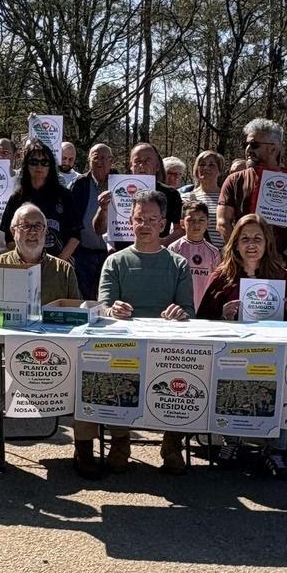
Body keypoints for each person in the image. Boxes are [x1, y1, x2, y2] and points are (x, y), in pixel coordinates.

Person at [0, 204, 84, 469]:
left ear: (46, 232)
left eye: (38, 226)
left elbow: (78, 314)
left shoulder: (63, 269)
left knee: (87, 369)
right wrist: (9, 322)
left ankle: (84, 446)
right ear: (13, 231)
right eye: (26, 226)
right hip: (7, 349)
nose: (32, 232)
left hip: (57, 351)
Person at [97, 190, 194, 474]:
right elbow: (102, 307)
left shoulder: (178, 264)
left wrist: (180, 314)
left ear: (163, 224)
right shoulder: (115, 262)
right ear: (131, 221)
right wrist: (112, 310)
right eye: (140, 219)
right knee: (111, 371)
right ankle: (120, 439)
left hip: (168, 348)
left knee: (186, 373)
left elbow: (190, 310)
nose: (146, 225)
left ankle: (173, 442)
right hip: (125, 347)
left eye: (152, 219)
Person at [196, 213, 287, 476]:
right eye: (245, 239)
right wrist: (223, 316)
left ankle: (275, 450)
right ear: (235, 243)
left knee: (284, 376)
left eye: (257, 238)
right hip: (233, 353)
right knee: (233, 372)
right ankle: (232, 441)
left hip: (274, 352)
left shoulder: (281, 276)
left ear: (267, 243)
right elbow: (201, 322)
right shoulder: (222, 276)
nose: (251, 244)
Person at [217, 119, 287, 269]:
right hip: (241, 266)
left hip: (280, 268)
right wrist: (241, 254)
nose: (248, 149)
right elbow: (223, 222)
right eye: (246, 144)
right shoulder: (234, 180)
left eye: (255, 145)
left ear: (273, 149)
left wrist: (284, 258)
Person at [90, 142, 185, 249]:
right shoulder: (116, 189)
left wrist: (164, 241)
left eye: (147, 161)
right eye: (137, 161)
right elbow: (99, 230)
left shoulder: (171, 194)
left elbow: (181, 229)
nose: (142, 165)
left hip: (156, 256)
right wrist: (102, 210)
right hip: (123, 256)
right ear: (130, 165)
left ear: (157, 166)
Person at [0, 140, 81, 261]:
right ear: (26, 165)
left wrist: (57, 263)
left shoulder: (64, 196)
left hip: (58, 264)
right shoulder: (17, 198)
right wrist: (25, 262)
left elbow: (75, 236)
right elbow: (9, 238)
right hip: (25, 266)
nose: (39, 166)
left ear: (50, 166)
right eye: (34, 162)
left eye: (44, 162)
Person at [68, 143, 114, 298]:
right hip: (83, 254)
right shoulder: (78, 184)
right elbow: (71, 219)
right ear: (89, 161)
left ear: (111, 161)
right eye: (96, 158)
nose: (100, 161)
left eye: (104, 158)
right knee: (85, 297)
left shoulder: (121, 183)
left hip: (112, 254)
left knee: (109, 297)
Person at [167, 200, 222, 310]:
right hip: (180, 308)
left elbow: (216, 283)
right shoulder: (174, 248)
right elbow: (169, 281)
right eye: (191, 220)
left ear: (208, 223)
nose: (196, 224)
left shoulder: (214, 252)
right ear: (182, 223)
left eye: (201, 220)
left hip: (204, 308)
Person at [180, 150, 225, 247]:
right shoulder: (186, 198)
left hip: (224, 255)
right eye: (202, 164)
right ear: (196, 170)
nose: (206, 168)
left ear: (219, 171)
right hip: (194, 254)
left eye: (211, 165)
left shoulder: (227, 197)